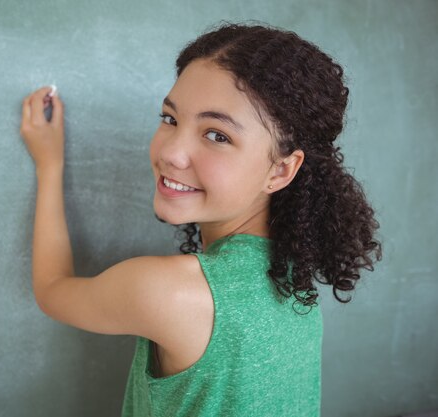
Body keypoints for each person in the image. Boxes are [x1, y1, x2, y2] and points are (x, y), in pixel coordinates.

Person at [20, 21, 382, 417]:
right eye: (170, 118)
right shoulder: (294, 281)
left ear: (280, 171)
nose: (171, 153)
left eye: (217, 135)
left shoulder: (168, 292)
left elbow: (52, 290)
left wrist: (49, 165)